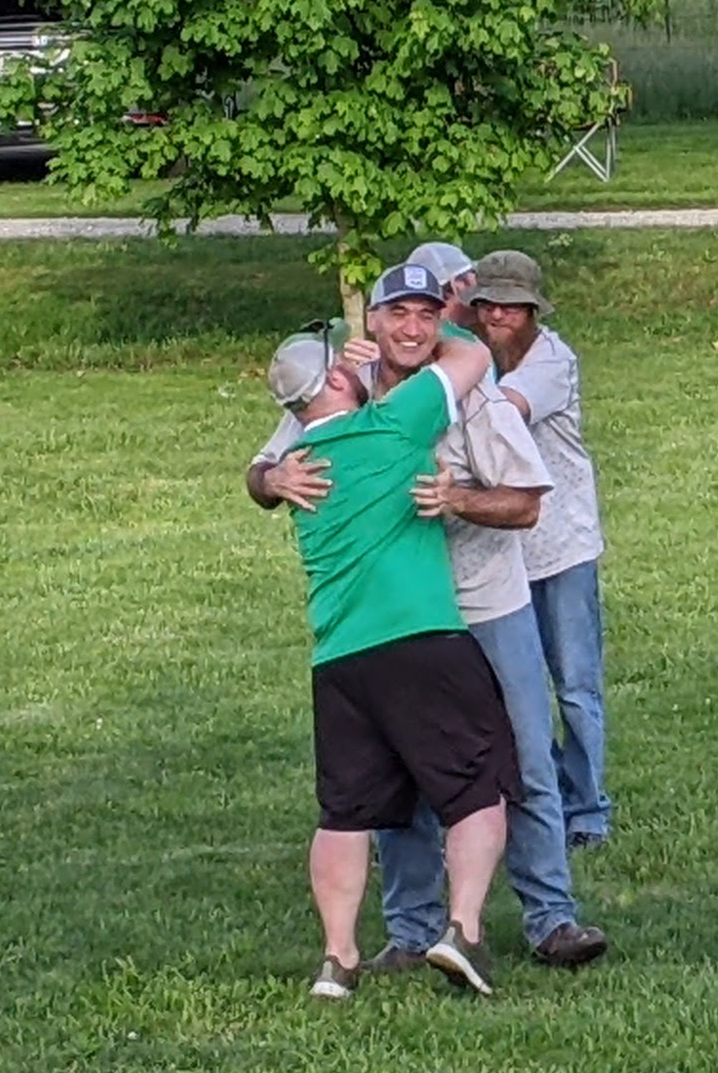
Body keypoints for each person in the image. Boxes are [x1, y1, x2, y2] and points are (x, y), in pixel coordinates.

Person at [252, 263, 603, 971]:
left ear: (442, 320)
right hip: (403, 621)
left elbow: (527, 504)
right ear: (371, 323)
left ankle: (551, 919)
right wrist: (272, 477)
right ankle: (411, 934)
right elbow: (262, 468)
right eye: (397, 314)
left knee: (526, 761)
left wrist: (458, 500)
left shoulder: (476, 398)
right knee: (400, 779)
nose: (411, 329)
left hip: (485, 604)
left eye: (425, 314)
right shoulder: (344, 388)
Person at [260, 299, 516, 999]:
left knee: (345, 813)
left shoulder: (298, 465)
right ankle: (463, 929)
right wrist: (440, 320)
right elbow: (471, 356)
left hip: (339, 659)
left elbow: (262, 473)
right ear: (334, 381)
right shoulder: (394, 424)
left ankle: (337, 959)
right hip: (421, 638)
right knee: (477, 788)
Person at [465, 250, 613, 848]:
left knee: (574, 686)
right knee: (511, 691)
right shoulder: (473, 361)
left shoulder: (551, 361)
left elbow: (505, 413)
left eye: (511, 306)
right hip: (505, 555)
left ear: (533, 312)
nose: (497, 315)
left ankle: (588, 809)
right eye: (487, 304)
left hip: (563, 547)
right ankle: (541, 790)